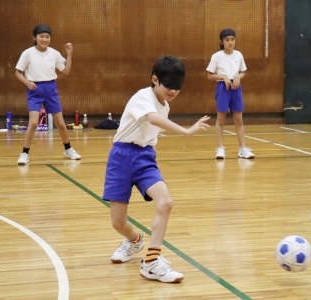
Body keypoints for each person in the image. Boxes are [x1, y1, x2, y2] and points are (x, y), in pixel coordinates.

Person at [103, 56, 210, 283]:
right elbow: (151, 119)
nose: (173, 91)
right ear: (155, 79)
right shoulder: (143, 97)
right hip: (121, 157)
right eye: (168, 86)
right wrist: (186, 131)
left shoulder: (166, 106)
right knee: (118, 222)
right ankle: (134, 241)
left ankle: (151, 262)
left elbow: (152, 131)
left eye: (177, 88)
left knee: (166, 202)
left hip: (145, 158)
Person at [15, 24, 81, 165]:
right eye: (41, 36)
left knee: (61, 124)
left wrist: (69, 55)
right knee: (33, 123)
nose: (44, 39)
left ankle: (68, 149)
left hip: (51, 89)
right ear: (35, 37)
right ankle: (24, 153)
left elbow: (65, 72)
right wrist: (27, 83)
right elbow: (18, 72)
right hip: (34, 90)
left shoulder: (54, 53)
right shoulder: (28, 53)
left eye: (47, 37)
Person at [206, 28, 255, 159]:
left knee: (238, 120)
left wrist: (239, 77)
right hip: (223, 88)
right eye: (227, 40)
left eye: (232, 39)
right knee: (220, 119)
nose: (230, 42)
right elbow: (210, 76)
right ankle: (221, 148)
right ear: (221, 42)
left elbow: (243, 71)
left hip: (236, 88)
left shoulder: (239, 55)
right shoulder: (216, 56)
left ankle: (242, 149)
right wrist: (223, 77)